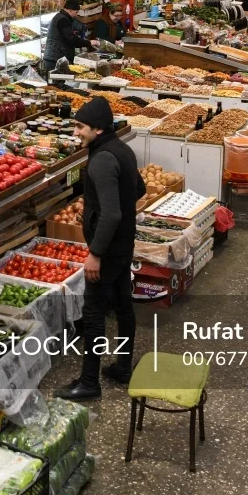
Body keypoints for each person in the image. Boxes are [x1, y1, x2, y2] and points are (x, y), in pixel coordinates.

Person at [57, 97, 146, 401]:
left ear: (96, 128)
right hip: (122, 244)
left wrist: (95, 252)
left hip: (107, 251)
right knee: (123, 305)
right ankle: (123, 367)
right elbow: (140, 189)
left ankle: (89, 381)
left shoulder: (101, 160)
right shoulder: (122, 148)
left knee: (93, 312)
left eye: (79, 127)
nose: (75, 133)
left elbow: (112, 214)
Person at [42, 0, 96, 74]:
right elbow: (72, 39)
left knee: (57, 84)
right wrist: (89, 43)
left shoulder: (61, 17)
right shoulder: (63, 20)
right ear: (70, 10)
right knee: (56, 84)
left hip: (54, 58)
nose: (76, 15)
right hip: (55, 59)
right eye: (76, 12)